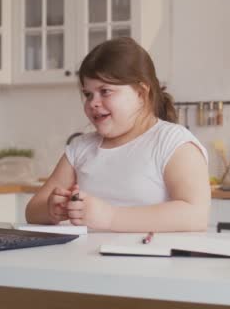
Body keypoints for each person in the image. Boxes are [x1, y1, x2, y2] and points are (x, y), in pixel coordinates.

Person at [25, 37, 210, 232]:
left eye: (105, 91)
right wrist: (51, 209)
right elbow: (32, 210)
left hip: (150, 261)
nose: (93, 103)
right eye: (88, 94)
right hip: (84, 261)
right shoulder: (80, 148)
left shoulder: (173, 143)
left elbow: (196, 215)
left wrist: (111, 217)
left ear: (140, 93)